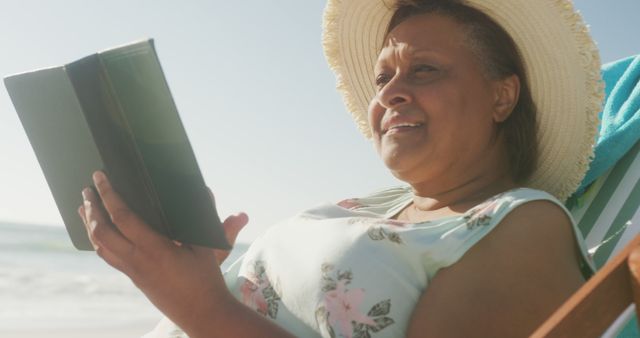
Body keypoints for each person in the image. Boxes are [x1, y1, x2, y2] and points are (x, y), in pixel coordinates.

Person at [78, 0, 604, 336]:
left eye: (423, 70)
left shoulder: (523, 227)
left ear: (502, 96)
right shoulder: (368, 207)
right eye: (382, 78)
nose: (391, 92)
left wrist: (200, 304)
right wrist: (200, 270)